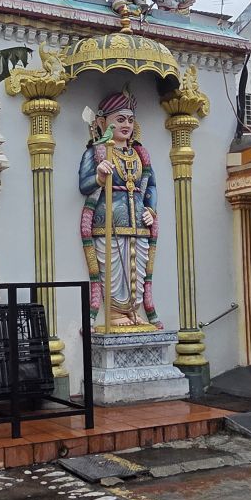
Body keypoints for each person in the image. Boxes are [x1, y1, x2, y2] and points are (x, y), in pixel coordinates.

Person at [79, 88, 160, 327]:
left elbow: (151, 186)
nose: (126, 125)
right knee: (114, 270)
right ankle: (114, 314)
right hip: (108, 221)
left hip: (139, 223)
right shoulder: (96, 153)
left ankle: (134, 312)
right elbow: (84, 184)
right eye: (120, 119)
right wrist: (99, 176)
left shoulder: (139, 156)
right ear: (103, 123)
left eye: (130, 120)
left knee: (138, 270)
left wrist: (151, 210)